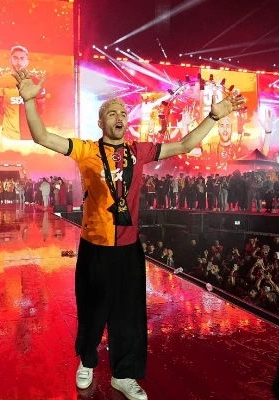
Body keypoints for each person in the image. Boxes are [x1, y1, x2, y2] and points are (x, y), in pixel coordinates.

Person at [13, 68, 245, 400]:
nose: (120, 116)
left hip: (128, 249)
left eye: (123, 112)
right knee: (93, 309)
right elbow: (43, 137)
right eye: (112, 113)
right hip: (95, 247)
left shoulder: (140, 151)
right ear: (100, 122)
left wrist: (213, 116)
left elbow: (185, 144)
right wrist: (29, 101)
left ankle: (123, 375)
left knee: (129, 314)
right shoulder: (86, 150)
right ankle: (87, 361)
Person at [0, 45, 45, 142]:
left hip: (31, 137)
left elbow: (41, 108)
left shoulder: (36, 82)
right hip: (9, 137)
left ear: (27, 61)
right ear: (11, 60)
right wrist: (11, 118)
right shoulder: (1, 81)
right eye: (15, 58)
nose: (18, 62)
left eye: (22, 58)